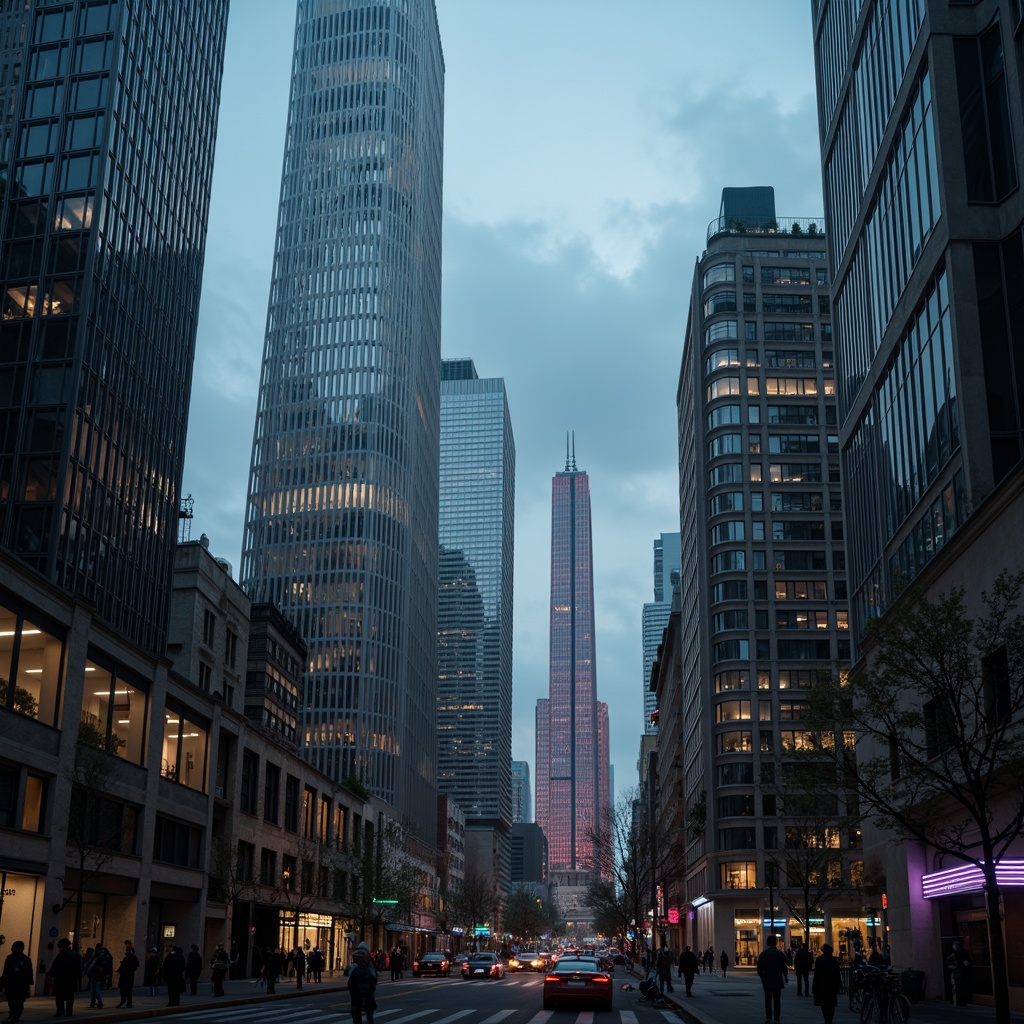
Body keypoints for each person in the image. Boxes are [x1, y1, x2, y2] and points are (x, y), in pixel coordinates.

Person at [757, 934, 789, 1024]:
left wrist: (762, 976)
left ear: (767, 943)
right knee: (777, 999)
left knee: (768, 999)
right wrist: (785, 976)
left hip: (767, 979)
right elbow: (784, 967)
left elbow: (759, 967)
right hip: (777, 979)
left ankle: (768, 1017)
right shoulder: (780, 954)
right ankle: (777, 1018)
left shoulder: (764, 954)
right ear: (775, 943)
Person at [47, 937, 82, 1018]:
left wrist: (51, 974)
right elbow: (79, 968)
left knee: (59, 995)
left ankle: (60, 1010)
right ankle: (69, 1010)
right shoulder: (76, 955)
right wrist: (78, 978)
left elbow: (55, 967)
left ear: (61, 947)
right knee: (70, 995)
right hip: (72, 979)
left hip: (61, 978)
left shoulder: (60, 956)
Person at [0, 939, 34, 1023]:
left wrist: (2, 983)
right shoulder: (26, 959)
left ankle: (12, 1012)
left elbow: (6, 972)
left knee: (11, 999)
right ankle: (16, 1015)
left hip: (11, 983)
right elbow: (29, 972)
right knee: (19, 1000)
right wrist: (29, 983)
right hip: (22, 984)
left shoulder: (10, 958)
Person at [348, 942, 378, 1024]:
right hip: (366, 993)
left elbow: (350, 983)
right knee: (368, 1012)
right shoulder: (368, 969)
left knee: (357, 1012)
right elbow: (374, 979)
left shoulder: (355, 969)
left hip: (358, 994)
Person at [812, 943, 842, 1024]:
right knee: (831, 1004)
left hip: (822, 984)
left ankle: (826, 1019)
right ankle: (830, 1020)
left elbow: (817, 974)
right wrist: (839, 985)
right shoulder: (834, 960)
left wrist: (814, 987)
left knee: (824, 1004)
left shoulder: (819, 959)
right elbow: (837, 973)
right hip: (832, 984)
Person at [85, 944, 111, 1009]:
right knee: (97, 989)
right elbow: (109, 966)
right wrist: (108, 975)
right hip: (102, 974)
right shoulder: (107, 954)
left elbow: (91, 963)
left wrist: (88, 970)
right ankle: (97, 1003)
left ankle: (96, 1003)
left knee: (94, 989)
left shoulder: (96, 953)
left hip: (95, 973)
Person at [946, 939, 972, 1005]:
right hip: (956, 972)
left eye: (957, 945)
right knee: (956, 986)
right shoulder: (952, 954)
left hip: (961, 972)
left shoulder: (963, 953)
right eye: (955, 945)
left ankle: (960, 1000)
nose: (956, 946)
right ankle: (957, 1001)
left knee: (960, 986)